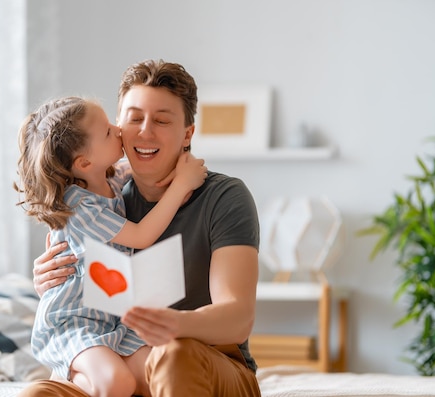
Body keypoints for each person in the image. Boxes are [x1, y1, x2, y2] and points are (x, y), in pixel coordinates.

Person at [19, 59, 262, 397]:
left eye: (162, 120)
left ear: (188, 134)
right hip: (126, 354)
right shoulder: (107, 196)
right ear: (118, 127)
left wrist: (174, 325)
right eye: (134, 119)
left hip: (205, 359)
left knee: (174, 355)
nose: (145, 132)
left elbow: (237, 319)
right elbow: (80, 263)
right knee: (36, 394)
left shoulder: (224, 196)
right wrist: (50, 277)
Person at [14, 96, 207, 397]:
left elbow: (148, 178)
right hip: (74, 322)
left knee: (156, 373)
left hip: (110, 320)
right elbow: (142, 235)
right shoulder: (81, 207)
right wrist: (182, 184)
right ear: (84, 163)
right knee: (117, 384)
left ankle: (77, 377)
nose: (118, 130)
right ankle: (68, 377)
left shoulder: (111, 179)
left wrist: (175, 168)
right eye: (106, 131)